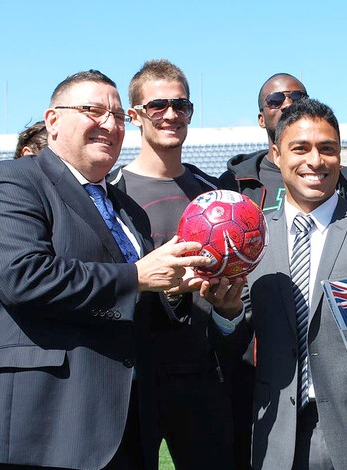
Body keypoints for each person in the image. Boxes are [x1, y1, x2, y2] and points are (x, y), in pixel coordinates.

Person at [0, 70, 239, 470]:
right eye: (92, 110)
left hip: (129, 422)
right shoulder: (16, 182)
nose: (109, 124)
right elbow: (23, 278)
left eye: (117, 116)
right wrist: (139, 277)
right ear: (52, 120)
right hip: (53, 423)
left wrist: (180, 290)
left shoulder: (126, 210)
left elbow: (144, 304)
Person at [218, 98, 347, 469]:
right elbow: (235, 337)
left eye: (327, 149)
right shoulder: (253, 238)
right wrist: (226, 313)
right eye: (301, 148)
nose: (315, 160)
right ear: (277, 155)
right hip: (278, 440)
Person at [107, 59, 237, 469]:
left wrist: (227, 309)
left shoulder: (214, 195)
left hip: (203, 375)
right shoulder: (109, 194)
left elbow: (233, 296)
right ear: (134, 115)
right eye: (158, 104)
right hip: (134, 381)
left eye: (181, 105)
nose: (171, 115)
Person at [219, 72, 347, 211]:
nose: (287, 104)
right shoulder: (234, 182)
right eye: (274, 100)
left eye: (298, 97)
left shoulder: (346, 179)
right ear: (261, 119)